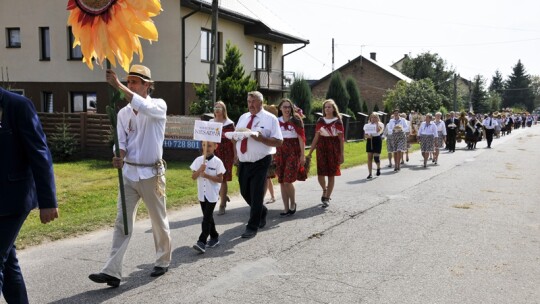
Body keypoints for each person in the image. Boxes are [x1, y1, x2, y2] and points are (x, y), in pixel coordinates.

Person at [89, 65, 172, 287]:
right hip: (129, 174)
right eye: (128, 82)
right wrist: (119, 156)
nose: (130, 85)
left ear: (147, 85)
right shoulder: (123, 113)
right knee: (122, 222)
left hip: (151, 174)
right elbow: (122, 141)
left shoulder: (158, 106)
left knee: (158, 220)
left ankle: (163, 260)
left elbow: (143, 105)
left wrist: (115, 85)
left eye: (135, 82)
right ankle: (112, 271)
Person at [0, 87, 59, 303]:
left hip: (13, 198)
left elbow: (39, 154)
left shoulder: (17, 106)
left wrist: (48, 201)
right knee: (7, 261)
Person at [234, 91, 283, 239]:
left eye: (254, 101)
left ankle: (252, 226)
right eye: (249, 101)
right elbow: (236, 137)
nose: (251, 104)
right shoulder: (243, 117)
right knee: (244, 191)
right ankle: (261, 211)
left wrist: (262, 139)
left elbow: (279, 141)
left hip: (261, 161)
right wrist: (235, 152)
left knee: (256, 193)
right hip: (243, 160)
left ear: (261, 103)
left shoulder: (270, 119)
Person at [307, 99, 344, 207]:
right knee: (321, 174)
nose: (327, 109)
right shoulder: (320, 121)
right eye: (325, 107)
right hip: (322, 147)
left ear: (333, 109)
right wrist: (310, 152)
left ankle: (327, 197)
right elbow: (316, 137)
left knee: (331, 174)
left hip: (334, 147)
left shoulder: (338, 121)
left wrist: (342, 154)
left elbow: (341, 139)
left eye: (329, 107)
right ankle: (325, 189)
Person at [190, 141, 225, 253]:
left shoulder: (218, 162)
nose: (206, 148)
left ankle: (202, 241)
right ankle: (214, 237)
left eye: (209, 146)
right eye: (204, 145)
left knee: (206, 219)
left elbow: (220, 179)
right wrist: (200, 170)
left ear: (215, 146)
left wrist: (207, 175)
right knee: (208, 216)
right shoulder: (198, 160)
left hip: (212, 194)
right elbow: (193, 177)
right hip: (202, 194)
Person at [275, 98, 306, 215]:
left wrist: (303, 155)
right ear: (280, 108)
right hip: (280, 151)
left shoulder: (296, 120)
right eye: (284, 107)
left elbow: (301, 139)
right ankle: (286, 208)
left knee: (288, 180)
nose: (287, 109)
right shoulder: (276, 121)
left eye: (289, 107)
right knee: (282, 181)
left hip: (293, 152)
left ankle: (293, 203)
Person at [210, 101, 235, 215]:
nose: (217, 109)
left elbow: (234, 140)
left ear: (224, 110)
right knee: (214, 177)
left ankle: (222, 205)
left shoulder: (230, 124)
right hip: (214, 152)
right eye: (216, 107)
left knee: (223, 178)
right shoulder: (210, 122)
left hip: (227, 153)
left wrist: (236, 154)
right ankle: (223, 196)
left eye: (220, 107)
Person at [363, 112, 384, 179]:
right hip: (370, 140)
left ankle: (378, 167)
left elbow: (378, 131)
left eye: (375, 117)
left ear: (377, 118)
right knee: (369, 157)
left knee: (376, 157)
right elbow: (365, 135)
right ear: (370, 118)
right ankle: (370, 173)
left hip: (377, 140)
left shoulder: (380, 124)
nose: (374, 119)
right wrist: (368, 137)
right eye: (372, 117)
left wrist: (377, 123)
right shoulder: (367, 125)